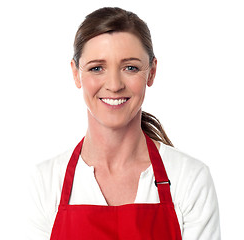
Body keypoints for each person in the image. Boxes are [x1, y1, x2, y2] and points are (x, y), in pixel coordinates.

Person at [28, 7, 220, 240]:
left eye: (130, 67)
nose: (114, 84)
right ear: (76, 73)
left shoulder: (189, 179)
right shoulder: (46, 182)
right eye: (97, 68)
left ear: (151, 72)